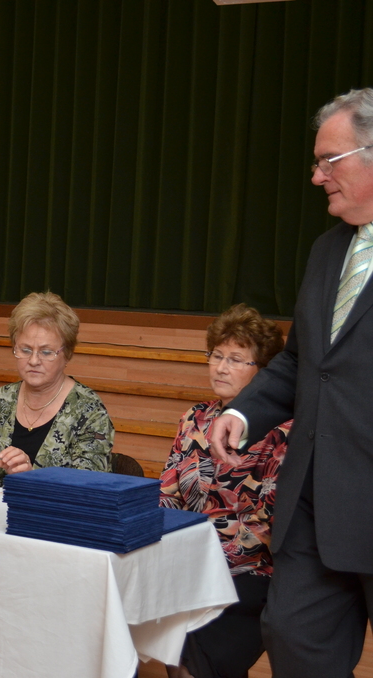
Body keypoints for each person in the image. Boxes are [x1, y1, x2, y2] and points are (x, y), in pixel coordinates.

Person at [208, 88, 373, 677]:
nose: (316, 176)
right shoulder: (327, 250)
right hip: (313, 501)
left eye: (329, 160)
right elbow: (302, 360)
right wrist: (243, 412)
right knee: (293, 635)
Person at [159, 304, 290, 678]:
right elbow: (167, 494)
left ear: (264, 372)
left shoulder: (281, 433)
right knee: (162, 638)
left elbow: (266, 525)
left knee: (194, 660)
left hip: (249, 575)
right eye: (216, 356)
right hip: (185, 563)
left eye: (235, 359)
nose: (220, 367)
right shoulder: (194, 418)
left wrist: (201, 560)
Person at [0, 291, 113, 486]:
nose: (33, 361)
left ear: (67, 354)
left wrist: (32, 477)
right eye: (25, 350)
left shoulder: (89, 410)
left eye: (46, 352)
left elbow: (87, 490)